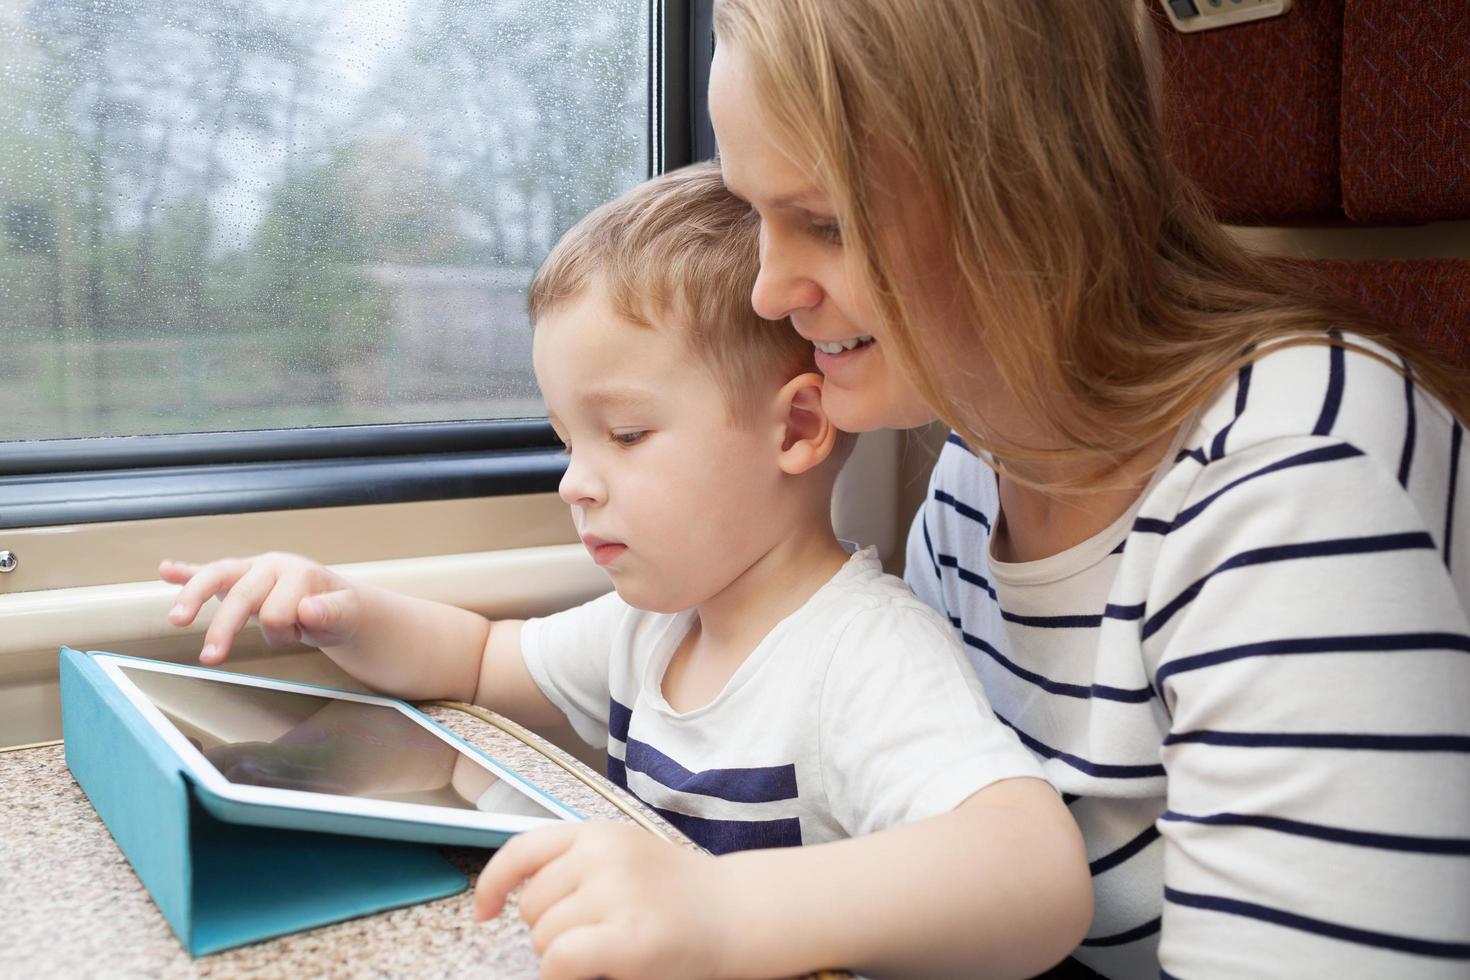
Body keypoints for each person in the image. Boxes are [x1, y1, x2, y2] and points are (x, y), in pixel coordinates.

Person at [161, 162, 1092, 980]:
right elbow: (479, 659)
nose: (576, 483)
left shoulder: (861, 653)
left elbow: (1035, 877)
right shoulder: (653, 629)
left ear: (799, 429)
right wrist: (337, 606)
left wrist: (723, 911)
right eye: (568, 441)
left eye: (627, 435)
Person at [707, 1, 1470, 977]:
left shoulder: (1289, 478)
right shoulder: (975, 476)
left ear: (1021, 195)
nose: (769, 290)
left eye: (824, 222)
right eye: (751, 215)